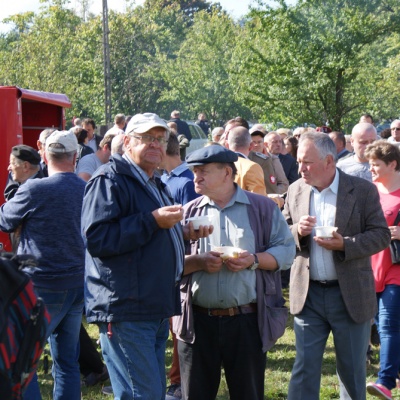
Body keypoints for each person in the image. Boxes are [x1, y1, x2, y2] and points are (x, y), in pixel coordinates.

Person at [174, 145, 295, 400]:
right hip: (197, 322)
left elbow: (286, 253)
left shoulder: (261, 208)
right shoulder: (188, 213)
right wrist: (198, 262)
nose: (196, 177)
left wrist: (253, 259)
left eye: (203, 171)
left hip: (246, 321)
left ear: (227, 173)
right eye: (195, 171)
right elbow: (168, 264)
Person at [81, 113, 186, 399]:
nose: (156, 145)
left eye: (161, 139)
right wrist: (152, 221)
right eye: (147, 138)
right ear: (127, 141)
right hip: (127, 307)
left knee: (146, 391)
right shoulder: (109, 179)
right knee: (144, 394)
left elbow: (148, 233)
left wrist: (182, 233)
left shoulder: (152, 180)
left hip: (153, 304)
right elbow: (97, 238)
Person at [283, 132, 390, 400]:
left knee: (352, 373)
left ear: (329, 161)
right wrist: (298, 231)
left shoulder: (362, 190)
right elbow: (281, 233)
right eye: (298, 161)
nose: (300, 168)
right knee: (304, 370)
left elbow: (381, 235)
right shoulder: (296, 190)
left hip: (350, 294)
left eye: (307, 162)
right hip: (308, 295)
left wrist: (345, 244)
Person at [0, 130, 86, 400]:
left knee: (25, 360)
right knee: (67, 361)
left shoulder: (34, 189)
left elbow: (4, 220)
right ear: (74, 157)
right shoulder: (86, 187)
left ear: (44, 156)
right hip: (76, 282)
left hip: (42, 285)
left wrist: (13, 185)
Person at [364, 141, 400, 400]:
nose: (371, 169)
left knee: (387, 326)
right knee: (384, 325)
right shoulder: (369, 192)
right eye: (369, 164)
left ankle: (386, 381)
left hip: (395, 269)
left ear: (392, 164)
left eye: (375, 164)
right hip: (371, 267)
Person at [226, 126, 268, 196]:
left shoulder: (219, 166)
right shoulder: (252, 167)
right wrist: (278, 201)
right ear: (251, 145)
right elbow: (259, 202)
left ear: (227, 145)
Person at [248, 129, 289, 194]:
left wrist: (269, 196)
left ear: (264, 144)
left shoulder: (273, 159)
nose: (256, 145)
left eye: (259, 142)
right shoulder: (245, 159)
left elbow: (284, 184)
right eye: (254, 142)